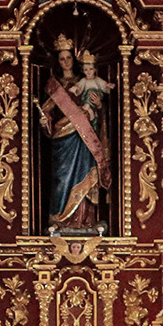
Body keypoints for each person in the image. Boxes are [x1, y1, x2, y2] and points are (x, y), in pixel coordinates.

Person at [41, 36, 110, 233]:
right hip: (63, 137)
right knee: (62, 178)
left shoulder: (84, 82)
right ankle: (60, 219)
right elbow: (46, 111)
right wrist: (45, 121)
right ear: (58, 61)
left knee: (87, 174)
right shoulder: (53, 85)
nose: (65, 62)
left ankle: (86, 221)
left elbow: (99, 112)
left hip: (84, 137)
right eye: (62, 59)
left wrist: (98, 106)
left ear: (74, 59)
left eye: (68, 58)